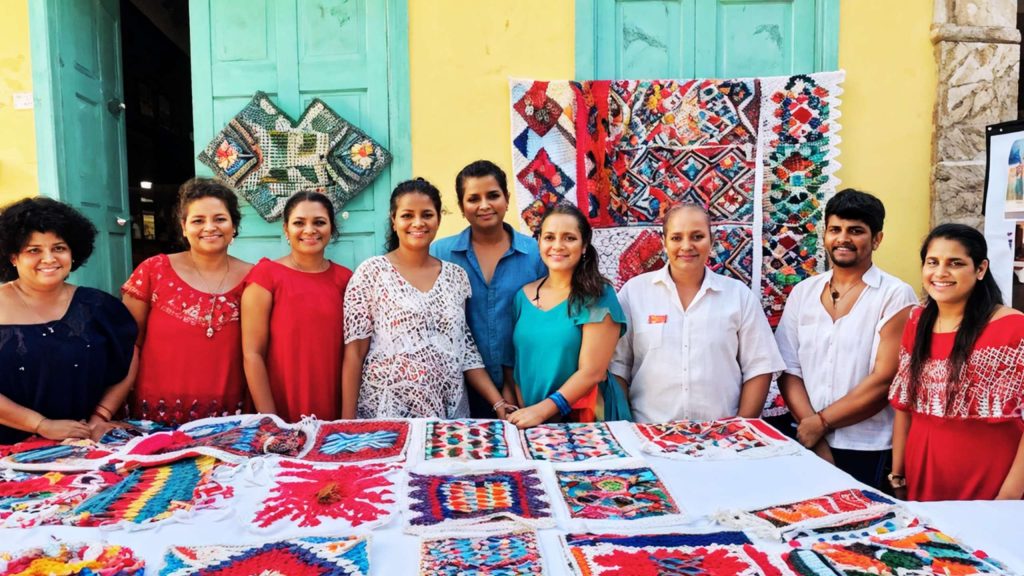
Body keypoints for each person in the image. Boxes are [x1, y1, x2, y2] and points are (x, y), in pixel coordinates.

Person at [775, 189, 917, 489]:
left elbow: (884, 379)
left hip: (867, 445)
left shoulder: (895, 294)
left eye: (856, 231)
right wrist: (812, 429)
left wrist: (822, 422)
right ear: (824, 234)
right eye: (835, 230)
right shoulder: (804, 292)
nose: (843, 239)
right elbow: (788, 369)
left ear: (876, 239)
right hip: (805, 437)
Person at [341, 178, 509, 419]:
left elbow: (465, 350)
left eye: (427, 215)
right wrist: (347, 422)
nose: (417, 223)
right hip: (386, 410)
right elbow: (354, 354)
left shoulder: (455, 277)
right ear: (394, 220)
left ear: (438, 219)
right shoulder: (372, 273)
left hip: (447, 410)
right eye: (407, 215)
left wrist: (498, 403)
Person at [611, 204, 784, 422]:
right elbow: (618, 366)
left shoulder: (738, 295)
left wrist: (741, 429)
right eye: (676, 238)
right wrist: (628, 426)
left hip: (722, 438)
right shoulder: (634, 293)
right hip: (649, 434)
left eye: (697, 236)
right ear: (664, 242)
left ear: (711, 242)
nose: (686, 246)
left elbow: (760, 367)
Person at [889, 224, 1024, 501]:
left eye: (956, 263)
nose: (940, 273)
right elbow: (904, 406)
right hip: (923, 470)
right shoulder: (916, 322)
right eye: (932, 262)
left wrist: (1009, 496)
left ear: (980, 269)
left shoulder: (1014, 329)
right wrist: (898, 474)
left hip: (992, 478)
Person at [0, 197, 137, 443]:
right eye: (34, 250)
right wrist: (41, 425)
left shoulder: (98, 307)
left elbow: (128, 357)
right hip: (9, 452)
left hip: (85, 445)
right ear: (12, 257)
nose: (49, 259)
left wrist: (100, 417)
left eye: (59, 248)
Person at [122, 179, 252, 426]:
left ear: (234, 225)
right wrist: (106, 410)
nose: (210, 227)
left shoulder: (256, 278)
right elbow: (129, 345)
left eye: (220, 219)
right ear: (183, 227)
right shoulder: (153, 271)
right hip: (155, 417)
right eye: (198, 220)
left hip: (231, 418)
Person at [431, 160, 546, 417]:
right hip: (458, 389)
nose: (484, 205)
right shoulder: (439, 254)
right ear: (462, 207)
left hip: (523, 388)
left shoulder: (536, 254)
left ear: (506, 198)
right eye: (473, 198)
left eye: (493, 195)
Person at [505, 204, 629, 428]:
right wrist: (526, 410)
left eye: (569, 238)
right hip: (533, 420)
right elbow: (519, 364)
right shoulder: (522, 296)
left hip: (588, 419)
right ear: (539, 242)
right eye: (549, 237)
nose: (557, 246)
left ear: (584, 246)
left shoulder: (598, 295)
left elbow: (592, 373)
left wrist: (543, 411)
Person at [241, 191, 352, 422]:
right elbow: (253, 354)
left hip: (332, 403)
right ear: (286, 229)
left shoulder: (346, 279)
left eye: (319, 222)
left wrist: (347, 420)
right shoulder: (266, 276)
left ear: (331, 228)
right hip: (279, 407)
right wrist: (271, 421)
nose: (310, 230)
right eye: (299, 223)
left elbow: (354, 354)